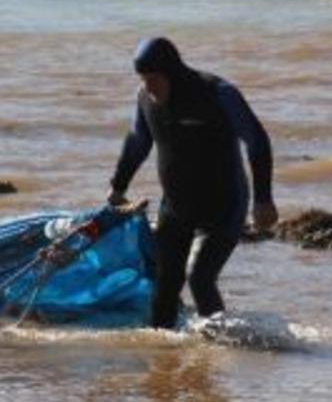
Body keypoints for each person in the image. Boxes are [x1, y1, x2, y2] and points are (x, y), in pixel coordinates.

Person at [107, 37, 278, 329]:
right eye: (143, 79)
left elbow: (257, 141)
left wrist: (263, 199)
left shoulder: (218, 94)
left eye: (154, 79)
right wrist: (118, 187)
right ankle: (166, 365)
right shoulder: (145, 99)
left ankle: (223, 348)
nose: (148, 87)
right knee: (164, 286)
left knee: (199, 277)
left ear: (171, 72)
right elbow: (138, 142)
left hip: (225, 205)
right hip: (176, 206)